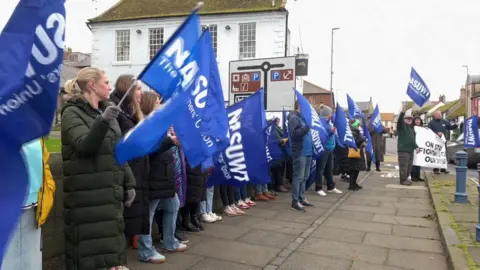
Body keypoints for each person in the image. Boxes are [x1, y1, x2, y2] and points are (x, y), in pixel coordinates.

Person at [61, 67, 136, 270]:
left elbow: (117, 150)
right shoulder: (71, 112)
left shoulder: (105, 109)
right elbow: (85, 146)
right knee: (90, 255)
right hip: (87, 198)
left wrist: (129, 182)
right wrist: (102, 122)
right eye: (106, 82)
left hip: (108, 195)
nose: (110, 86)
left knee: (109, 252)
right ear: (92, 85)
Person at [136, 91, 186, 264]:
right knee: (147, 215)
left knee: (173, 206)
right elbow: (150, 148)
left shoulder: (159, 123)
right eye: (157, 102)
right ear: (150, 104)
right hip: (153, 176)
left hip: (165, 175)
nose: (160, 105)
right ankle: (145, 250)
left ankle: (169, 241)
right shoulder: (145, 124)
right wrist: (171, 141)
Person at [109, 75, 151, 249]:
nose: (141, 93)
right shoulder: (118, 110)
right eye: (138, 88)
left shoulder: (132, 112)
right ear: (128, 89)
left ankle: (140, 248)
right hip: (128, 170)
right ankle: (142, 250)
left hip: (137, 170)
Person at [1, 138, 55, 270]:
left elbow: (44, 162)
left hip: (34, 212)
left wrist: (49, 190)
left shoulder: (33, 129)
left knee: (32, 264)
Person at [288, 103, 314, 212]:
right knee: (298, 177)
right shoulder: (294, 118)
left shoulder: (303, 119)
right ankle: (295, 201)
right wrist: (306, 128)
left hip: (308, 152)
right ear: (299, 105)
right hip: (300, 153)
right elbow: (294, 134)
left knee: (304, 177)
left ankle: (301, 198)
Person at [315, 105, 342, 196]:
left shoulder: (329, 122)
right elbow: (323, 136)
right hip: (324, 148)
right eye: (331, 113)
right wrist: (332, 132)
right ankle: (318, 187)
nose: (332, 114)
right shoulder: (322, 122)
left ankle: (331, 186)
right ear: (327, 114)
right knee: (321, 168)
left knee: (329, 168)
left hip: (330, 148)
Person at [428, 110, 458, 174]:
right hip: (435, 142)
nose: (440, 115)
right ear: (434, 115)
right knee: (436, 155)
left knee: (444, 155)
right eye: (438, 114)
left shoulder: (444, 121)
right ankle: (436, 169)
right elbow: (428, 132)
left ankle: (443, 168)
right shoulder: (431, 123)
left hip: (443, 142)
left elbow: (450, 127)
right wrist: (436, 133)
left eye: (440, 114)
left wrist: (456, 125)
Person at [396, 106, 419, 186]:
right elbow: (399, 121)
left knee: (409, 167)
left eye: (410, 119)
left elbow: (412, 139)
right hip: (403, 150)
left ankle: (405, 178)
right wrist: (402, 113)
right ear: (404, 119)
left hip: (410, 150)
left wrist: (416, 146)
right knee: (403, 166)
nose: (409, 120)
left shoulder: (411, 128)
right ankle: (402, 180)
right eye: (407, 118)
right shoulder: (402, 127)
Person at [348, 119, 366, 190]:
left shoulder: (356, 132)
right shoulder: (353, 132)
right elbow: (355, 142)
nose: (359, 126)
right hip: (354, 152)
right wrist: (363, 140)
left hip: (358, 151)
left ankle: (354, 183)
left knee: (357, 169)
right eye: (358, 124)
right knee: (354, 169)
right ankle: (351, 185)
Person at [411, 117, 425, 182]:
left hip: (420, 146)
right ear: (414, 121)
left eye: (419, 120)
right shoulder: (412, 128)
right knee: (414, 162)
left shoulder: (423, 128)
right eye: (416, 120)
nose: (417, 121)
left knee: (419, 162)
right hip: (413, 146)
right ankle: (413, 176)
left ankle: (418, 176)